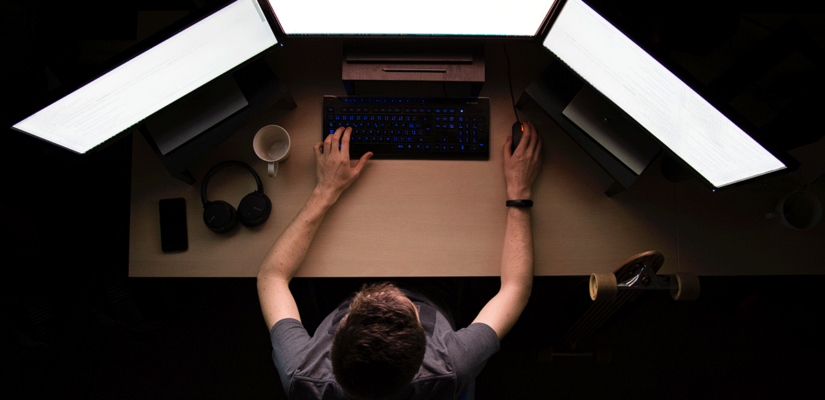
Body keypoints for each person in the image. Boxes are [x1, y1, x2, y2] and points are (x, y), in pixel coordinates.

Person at [258, 122, 543, 399]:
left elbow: (272, 276)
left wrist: (324, 191)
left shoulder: (302, 374)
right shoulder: (449, 366)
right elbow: (515, 289)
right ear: (422, 349)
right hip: (435, 291)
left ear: (337, 336)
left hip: (343, 287)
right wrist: (520, 192)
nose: (389, 285)